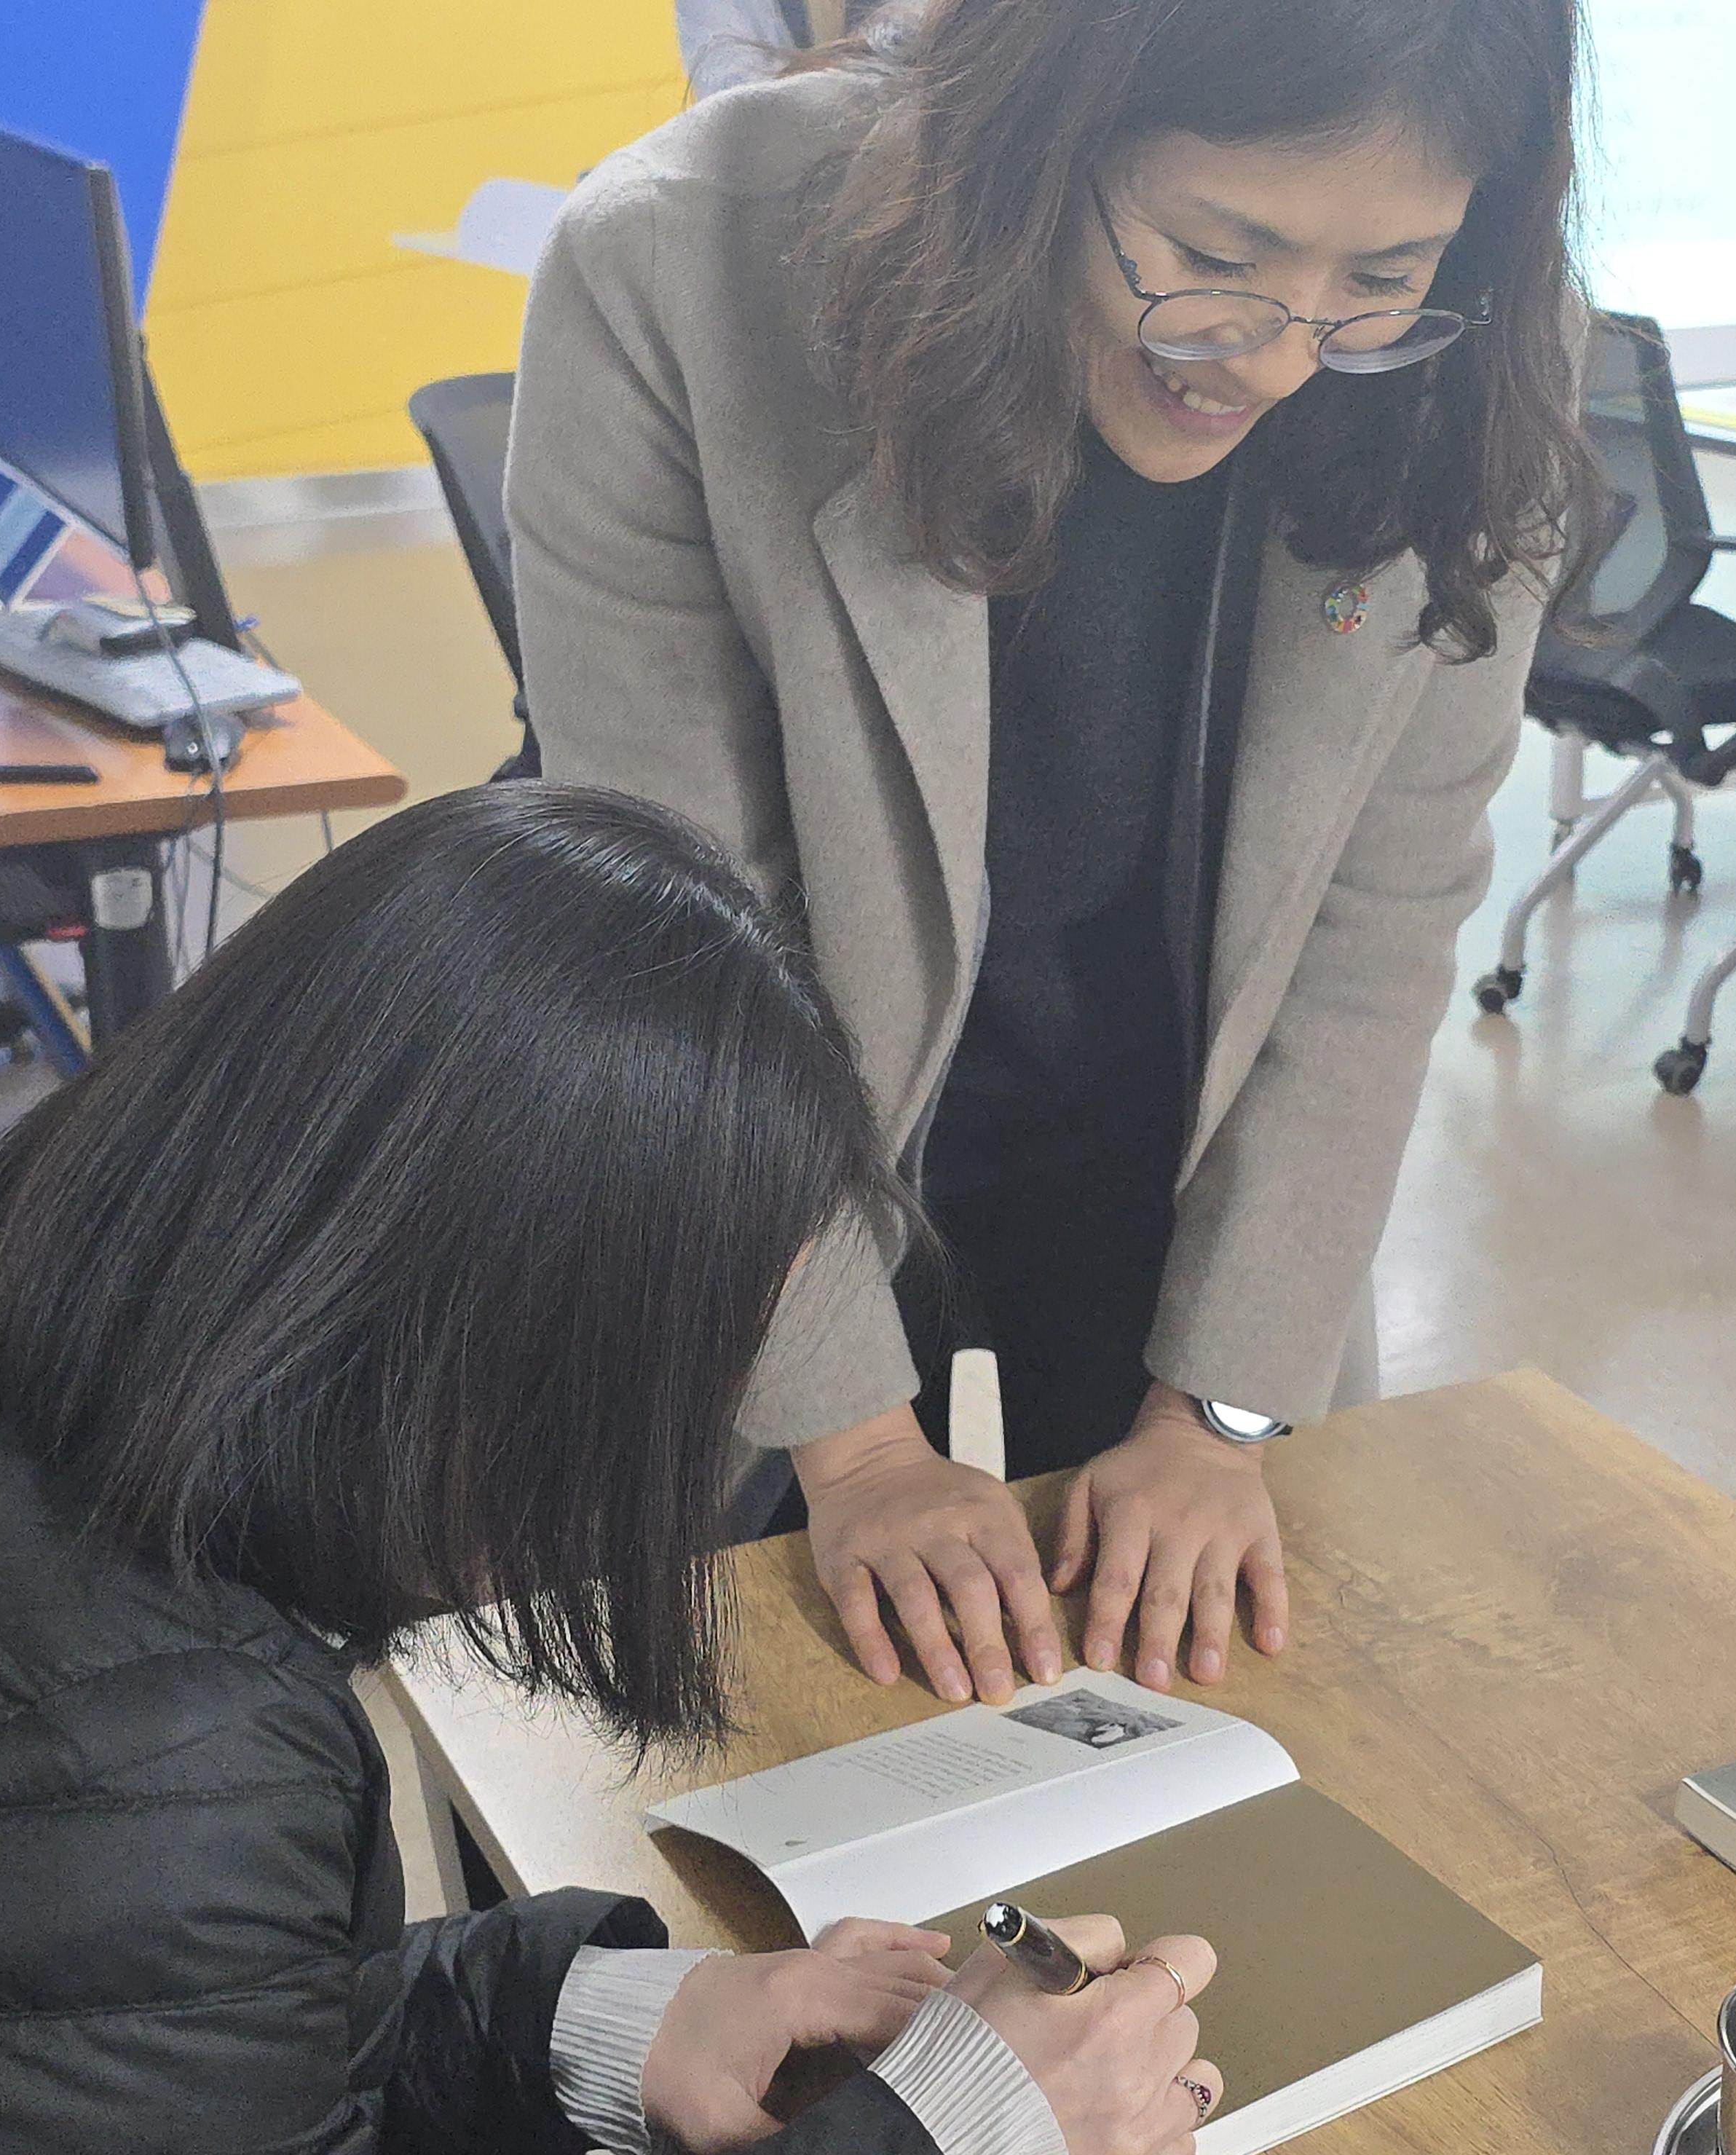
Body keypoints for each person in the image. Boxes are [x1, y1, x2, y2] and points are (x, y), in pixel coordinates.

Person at [508, 0, 1585, 1708]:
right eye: (1212, 255)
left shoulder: (1477, 355)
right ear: (1038, 129)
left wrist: (1216, 1411)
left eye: (1378, 278)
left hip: (1171, 1159)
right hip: (760, 1160)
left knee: (1209, 1723)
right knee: (716, 1721)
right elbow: (682, 952)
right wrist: (859, 1446)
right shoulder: (679, 268)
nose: (1275, 359)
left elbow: (1373, 925)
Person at [0, 784, 1220, 2155]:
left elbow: (187, 2028)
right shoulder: (152, 1766)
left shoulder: (39, 1457)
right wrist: (953, 2148)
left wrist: (581, 2020)